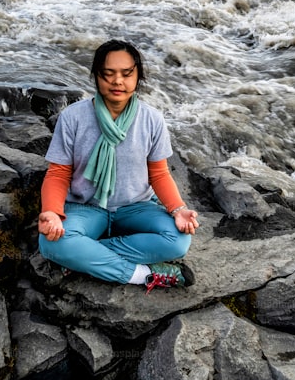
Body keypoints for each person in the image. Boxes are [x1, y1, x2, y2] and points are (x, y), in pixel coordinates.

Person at [36, 39, 199, 292]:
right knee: (50, 243)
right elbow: (58, 173)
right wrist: (52, 213)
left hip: (137, 207)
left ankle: (84, 257)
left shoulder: (152, 119)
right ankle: (142, 274)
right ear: (96, 76)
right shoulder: (73, 117)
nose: (117, 81)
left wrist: (178, 209)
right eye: (108, 74)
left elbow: (159, 173)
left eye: (126, 74)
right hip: (86, 208)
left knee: (178, 242)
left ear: (138, 77)